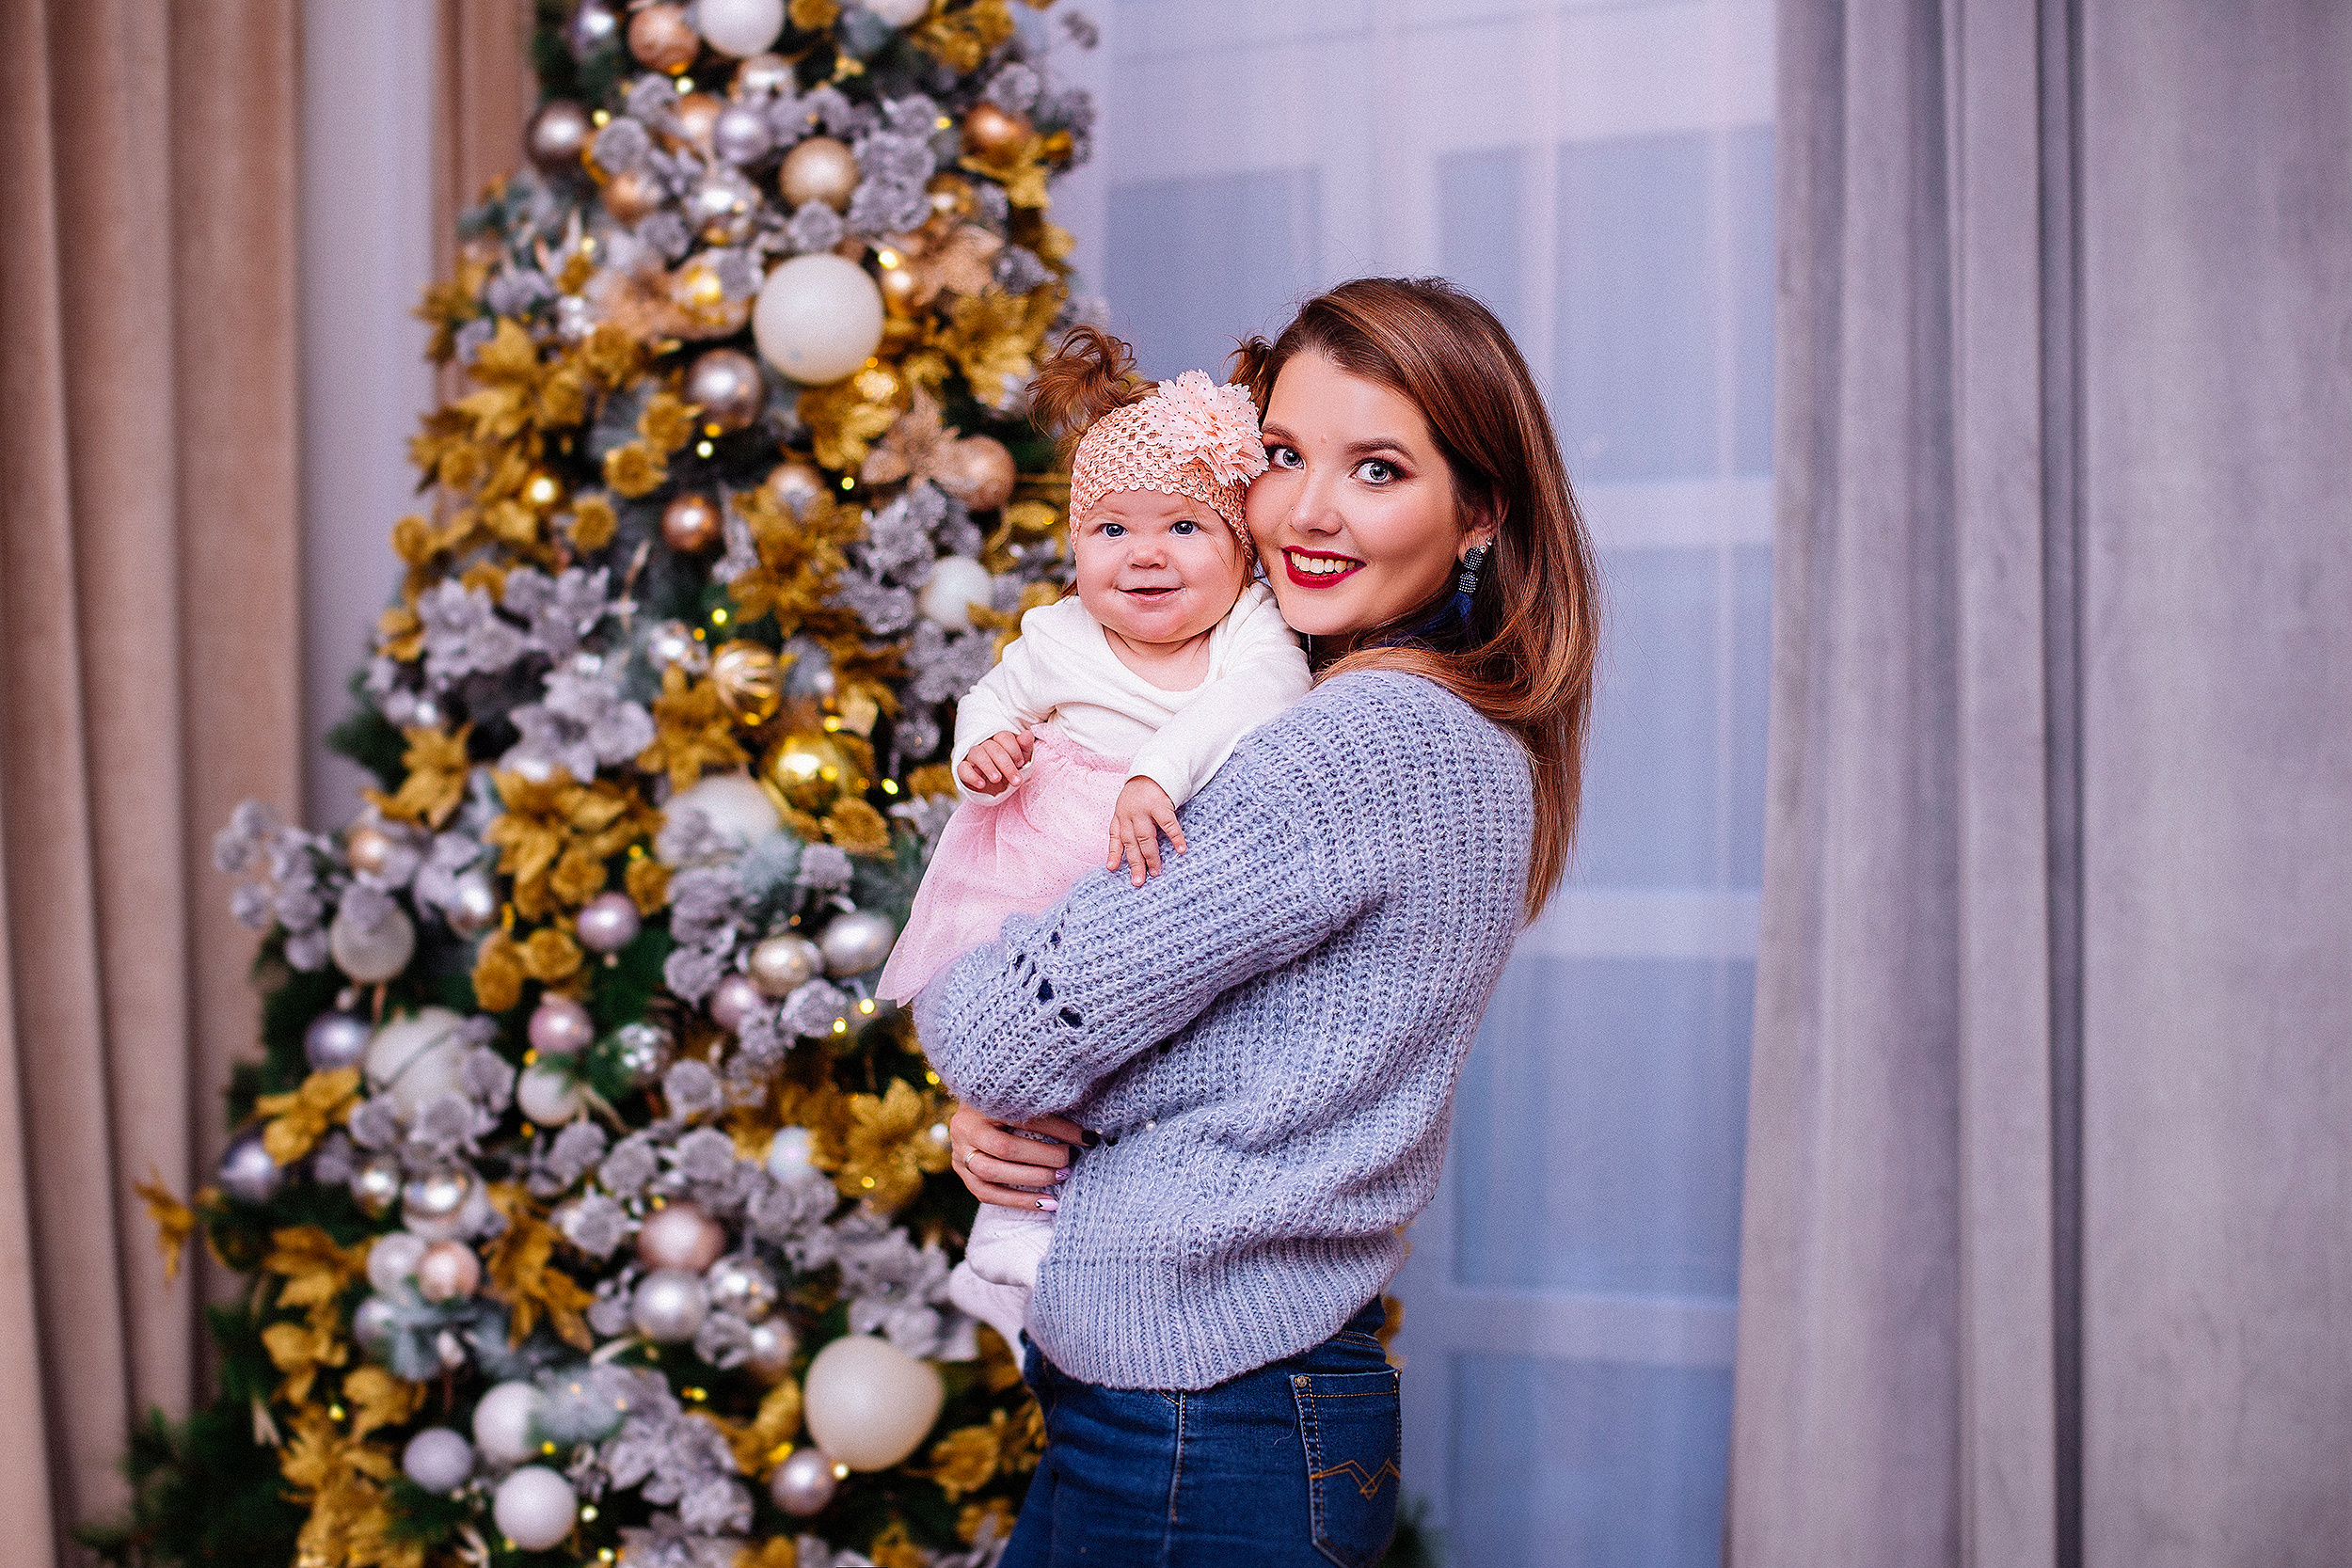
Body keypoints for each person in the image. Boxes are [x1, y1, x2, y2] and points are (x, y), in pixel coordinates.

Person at [925, 277, 1599, 1567]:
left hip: (1205, 1411)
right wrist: (1019, 1107)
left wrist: (1000, 1081)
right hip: (1216, 1392)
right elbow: (1233, 1051)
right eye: (1284, 454)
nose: (1308, 510)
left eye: (1380, 467)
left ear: (1482, 513)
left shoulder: (1367, 739)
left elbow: (1010, 1031)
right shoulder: (1418, 721)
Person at [875, 325, 1311, 1353]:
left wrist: (1160, 768)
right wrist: (982, 748)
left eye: (1183, 528)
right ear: (1076, 548)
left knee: (1113, 1067)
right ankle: (1006, 1240)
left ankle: (1043, 1249)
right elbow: (993, 698)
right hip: (1038, 864)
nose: (1144, 554)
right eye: (1111, 530)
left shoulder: (1250, 628)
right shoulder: (1058, 633)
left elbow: (1269, 691)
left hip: (1146, 859)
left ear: (1240, 547)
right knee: (1022, 1063)